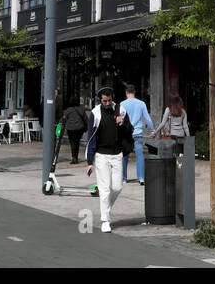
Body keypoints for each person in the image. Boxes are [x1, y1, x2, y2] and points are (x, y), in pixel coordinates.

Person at [85, 86, 132, 232]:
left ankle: (106, 210)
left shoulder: (121, 111)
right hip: (101, 155)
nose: (107, 103)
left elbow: (130, 130)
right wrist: (89, 161)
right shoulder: (95, 113)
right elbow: (90, 137)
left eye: (109, 100)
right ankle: (105, 220)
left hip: (117, 154)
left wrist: (122, 123)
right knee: (104, 190)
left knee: (117, 187)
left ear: (112, 98)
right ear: (100, 100)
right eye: (104, 101)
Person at [118, 84, 154, 185]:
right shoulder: (141, 104)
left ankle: (124, 178)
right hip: (138, 133)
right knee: (140, 155)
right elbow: (147, 118)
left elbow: (120, 119)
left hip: (126, 133)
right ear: (134, 92)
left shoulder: (122, 104)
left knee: (124, 155)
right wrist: (152, 130)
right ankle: (141, 178)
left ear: (126, 93)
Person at [60, 99, 86, 164]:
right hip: (79, 129)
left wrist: (60, 127)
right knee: (77, 142)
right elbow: (85, 119)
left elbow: (63, 120)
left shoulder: (67, 111)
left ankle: (74, 157)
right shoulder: (81, 109)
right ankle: (75, 157)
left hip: (70, 129)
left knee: (72, 143)